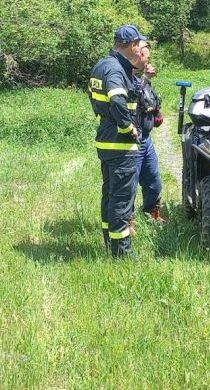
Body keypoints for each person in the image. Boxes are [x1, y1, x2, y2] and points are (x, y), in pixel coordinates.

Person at [88, 25, 146, 258]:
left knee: (109, 195)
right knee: (122, 199)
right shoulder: (115, 70)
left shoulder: (101, 65)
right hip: (120, 144)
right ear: (132, 45)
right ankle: (122, 253)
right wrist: (128, 127)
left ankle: (108, 241)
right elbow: (118, 101)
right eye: (139, 46)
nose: (140, 51)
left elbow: (95, 98)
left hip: (105, 141)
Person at [132, 41, 165, 222]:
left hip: (146, 138)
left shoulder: (142, 80)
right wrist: (145, 78)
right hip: (133, 139)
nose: (148, 61)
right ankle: (127, 220)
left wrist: (157, 112)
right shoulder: (128, 77)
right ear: (137, 55)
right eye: (146, 56)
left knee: (153, 178)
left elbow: (151, 101)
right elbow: (138, 97)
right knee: (130, 182)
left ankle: (152, 213)